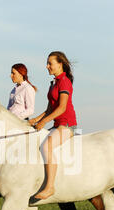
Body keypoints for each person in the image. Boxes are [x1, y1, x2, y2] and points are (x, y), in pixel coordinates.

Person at [29, 51, 77, 200]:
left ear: (60, 64)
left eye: (50, 63)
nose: (47, 66)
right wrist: (35, 119)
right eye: (47, 63)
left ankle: (50, 187)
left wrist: (43, 122)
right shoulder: (54, 83)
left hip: (67, 125)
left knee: (46, 147)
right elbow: (50, 109)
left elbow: (62, 108)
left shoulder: (64, 82)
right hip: (57, 125)